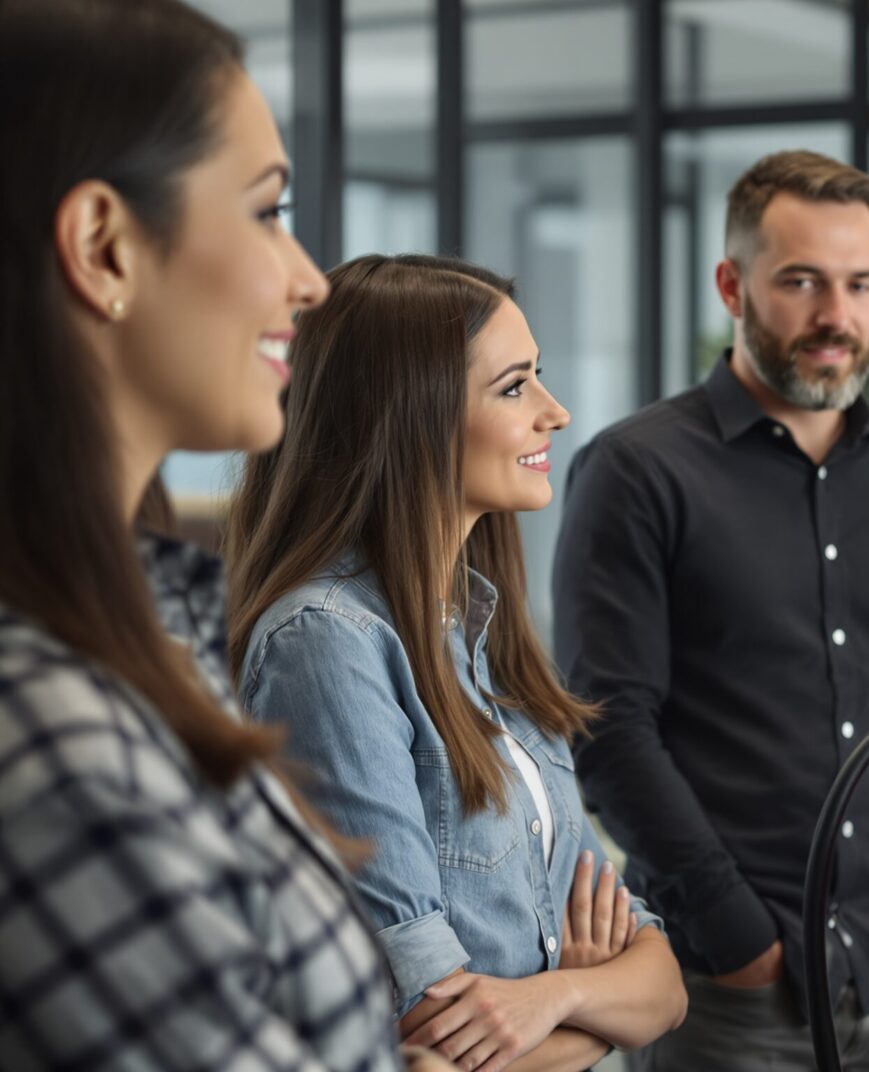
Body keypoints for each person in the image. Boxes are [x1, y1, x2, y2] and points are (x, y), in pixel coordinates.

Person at [0, 0, 424, 1067]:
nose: (309, 278)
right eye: (268, 211)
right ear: (104, 248)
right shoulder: (56, 751)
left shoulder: (152, 629)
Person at [553, 150, 869, 1071]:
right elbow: (609, 728)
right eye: (802, 282)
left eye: (860, 284)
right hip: (725, 996)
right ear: (732, 285)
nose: (837, 315)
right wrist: (738, 939)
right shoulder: (636, 471)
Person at [227, 254, 686, 1072]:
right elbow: (432, 1033)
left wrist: (554, 998)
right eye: (514, 388)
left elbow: (665, 989)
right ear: (412, 416)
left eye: (538, 377)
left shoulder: (481, 636)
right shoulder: (326, 642)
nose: (555, 412)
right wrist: (598, 1012)